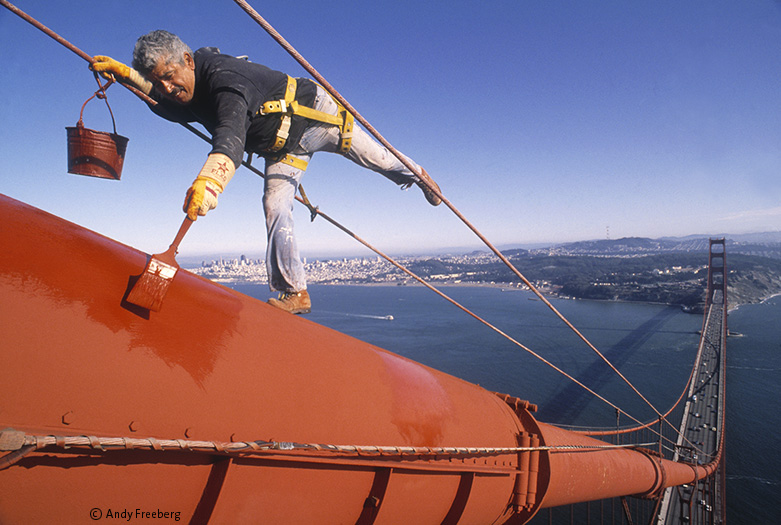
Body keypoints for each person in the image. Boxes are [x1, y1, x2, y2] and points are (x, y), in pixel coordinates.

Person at [92, 30, 441, 315]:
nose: (167, 88)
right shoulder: (188, 89)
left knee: (379, 160)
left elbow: (230, 136)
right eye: (160, 81)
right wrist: (129, 77)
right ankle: (295, 292)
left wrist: (209, 185)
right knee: (275, 206)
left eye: (169, 77)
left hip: (318, 119)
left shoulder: (224, 79)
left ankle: (419, 175)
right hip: (281, 148)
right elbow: (164, 100)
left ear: (187, 60)